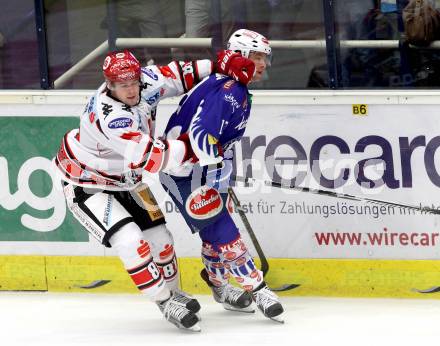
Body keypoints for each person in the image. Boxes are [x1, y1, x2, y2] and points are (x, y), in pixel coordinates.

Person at [52, 49, 256, 331]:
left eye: (134, 81)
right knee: (131, 241)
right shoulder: (111, 119)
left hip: (128, 180)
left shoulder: (143, 81)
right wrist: (197, 147)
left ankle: (173, 293)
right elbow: (153, 157)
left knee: (162, 239)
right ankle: (162, 300)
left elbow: (181, 74)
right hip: (87, 185)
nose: (132, 89)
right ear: (110, 85)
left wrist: (222, 61)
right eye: (124, 85)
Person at [159, 29, 285, 322]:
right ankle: (258, 287)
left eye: (265, 57)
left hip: (197, 167)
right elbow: (202, 135)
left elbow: (212, 138)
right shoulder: (231, 90)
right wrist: (216, 169)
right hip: (183, 173)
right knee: (221, 229)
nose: (263, 64)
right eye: (256, 56)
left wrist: (219, 169)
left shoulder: (229, 83)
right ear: (239, 56)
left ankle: (218, 284)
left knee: (213, 227)